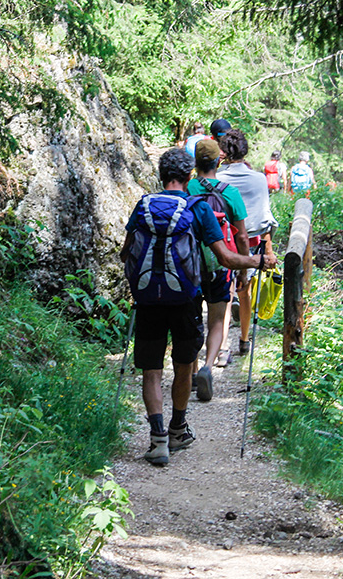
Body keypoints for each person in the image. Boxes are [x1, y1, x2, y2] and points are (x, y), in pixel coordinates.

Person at [121, 148, 266, 465]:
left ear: (161, 176)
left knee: (151, 371)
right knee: (184, 365)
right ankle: (177, 430)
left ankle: (157, 439)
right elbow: (226, 258)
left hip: (147, 298)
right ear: (189, 177)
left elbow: (125, 254)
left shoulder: (144, 204)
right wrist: (259, 260)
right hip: (186, 298)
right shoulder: (197, 208)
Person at [187, 138, 250, 401]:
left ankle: (190, 369)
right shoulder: (230, 192)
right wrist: (243, 268)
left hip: (189, 265)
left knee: (190, 319)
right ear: (218, 161)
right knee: (215, 318)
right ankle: (207, 366)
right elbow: (243, 237)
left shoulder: (187, 187)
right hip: (218, 265)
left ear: (195, 163)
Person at [217, 130, 278, 356]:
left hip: (221, 242)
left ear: (223, 152)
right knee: (245, 293)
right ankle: (243, 340)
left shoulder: (218, 178)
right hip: (251, 244)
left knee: (226, 293)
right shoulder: (259, 179)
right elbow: (265, 219)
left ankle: (222, 348)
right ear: (245, 151)